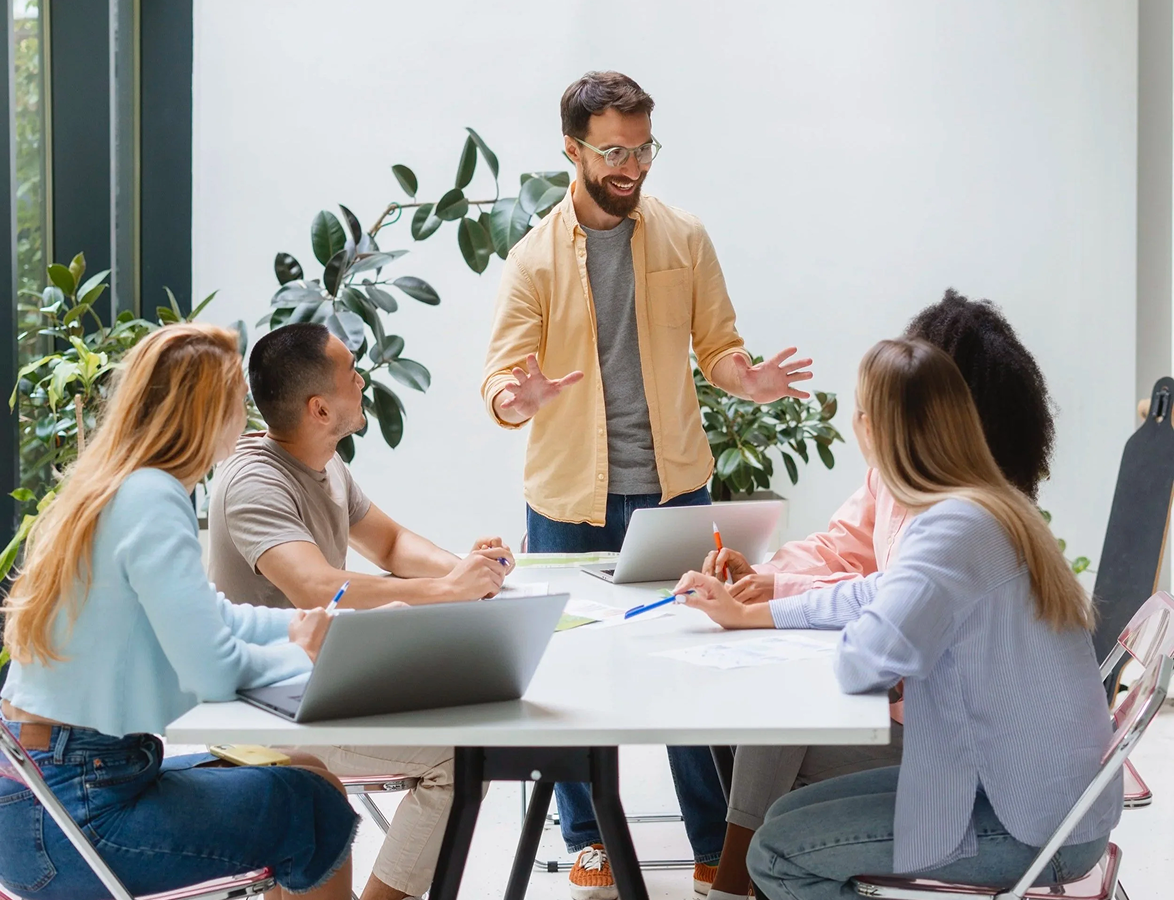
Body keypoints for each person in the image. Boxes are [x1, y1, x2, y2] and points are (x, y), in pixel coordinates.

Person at [481, 70, 814, 900]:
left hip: (672, 491)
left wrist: (753, 381)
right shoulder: (531, 259)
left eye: (643, 148)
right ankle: (588, 838)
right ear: (573, 149)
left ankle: (715, 845)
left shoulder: (684, 237)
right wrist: (515, 397)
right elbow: (499, 378)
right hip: (568, 498)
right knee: (567, 675)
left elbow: (721, 348)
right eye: (615, 151)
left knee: (694, 667)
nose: (632, 165)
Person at [676, 337, 1122, 899]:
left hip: (1026, 823)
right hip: (1031, 793)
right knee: (786, 810)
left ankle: (732, 882)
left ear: (870, 427)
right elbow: (872, 593)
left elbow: (868, 661)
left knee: (781, 852)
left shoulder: (951, 528)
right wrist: (756, 613)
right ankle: (729, 885)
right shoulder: (984, 504)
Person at [0, 324, 354, 900]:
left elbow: (211, 613)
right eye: (238, 399)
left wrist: (306, 627)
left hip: (40, 798)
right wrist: (302, 650)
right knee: (311, 804)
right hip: (77, 816)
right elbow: (211, 669)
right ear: (209, 414)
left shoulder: (111, 487)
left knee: (308, 769)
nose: (247, 413)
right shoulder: (153, 498)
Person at [210, 322, 510, 900]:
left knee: (473, 728)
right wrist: (451, 591)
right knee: (465, 755)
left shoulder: (324, 463)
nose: (362, 381)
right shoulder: (254, 480)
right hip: (270, 710)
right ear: (320, 408)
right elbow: (316, 587)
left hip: (324, 688)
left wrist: (470, 572)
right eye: (352, 373)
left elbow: (391, 543)